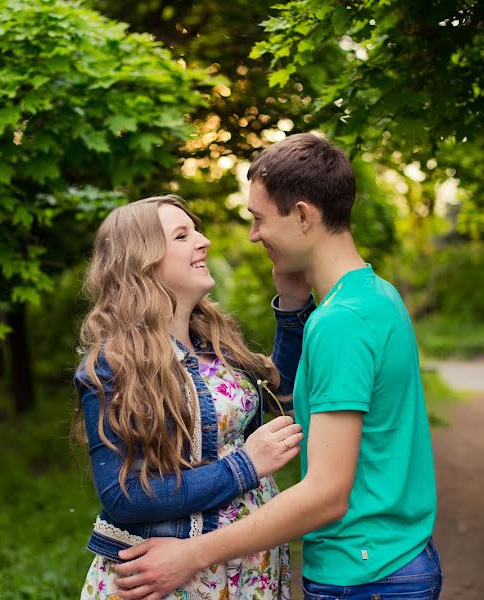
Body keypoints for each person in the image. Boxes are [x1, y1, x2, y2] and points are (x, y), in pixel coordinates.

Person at [113, 133, 442, 600]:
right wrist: (291, 305)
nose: (253, 235)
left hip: (366, 573)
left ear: (304, 215)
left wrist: (192, 554)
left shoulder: (340, 324)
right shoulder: (375, 295)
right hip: (394, 557)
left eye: (259, 219)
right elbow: (285, 403)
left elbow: (326, 493)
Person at [73, 194, 317, 598]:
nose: (203, 241)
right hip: (175, 579)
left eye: (197, 230)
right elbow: (124, 495)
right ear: (142, 261)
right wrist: (245, 465)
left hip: (245, 569)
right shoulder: (114, 364)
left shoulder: (216, 345)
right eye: (183, 235)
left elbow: (283, 395)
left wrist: (292, 303)